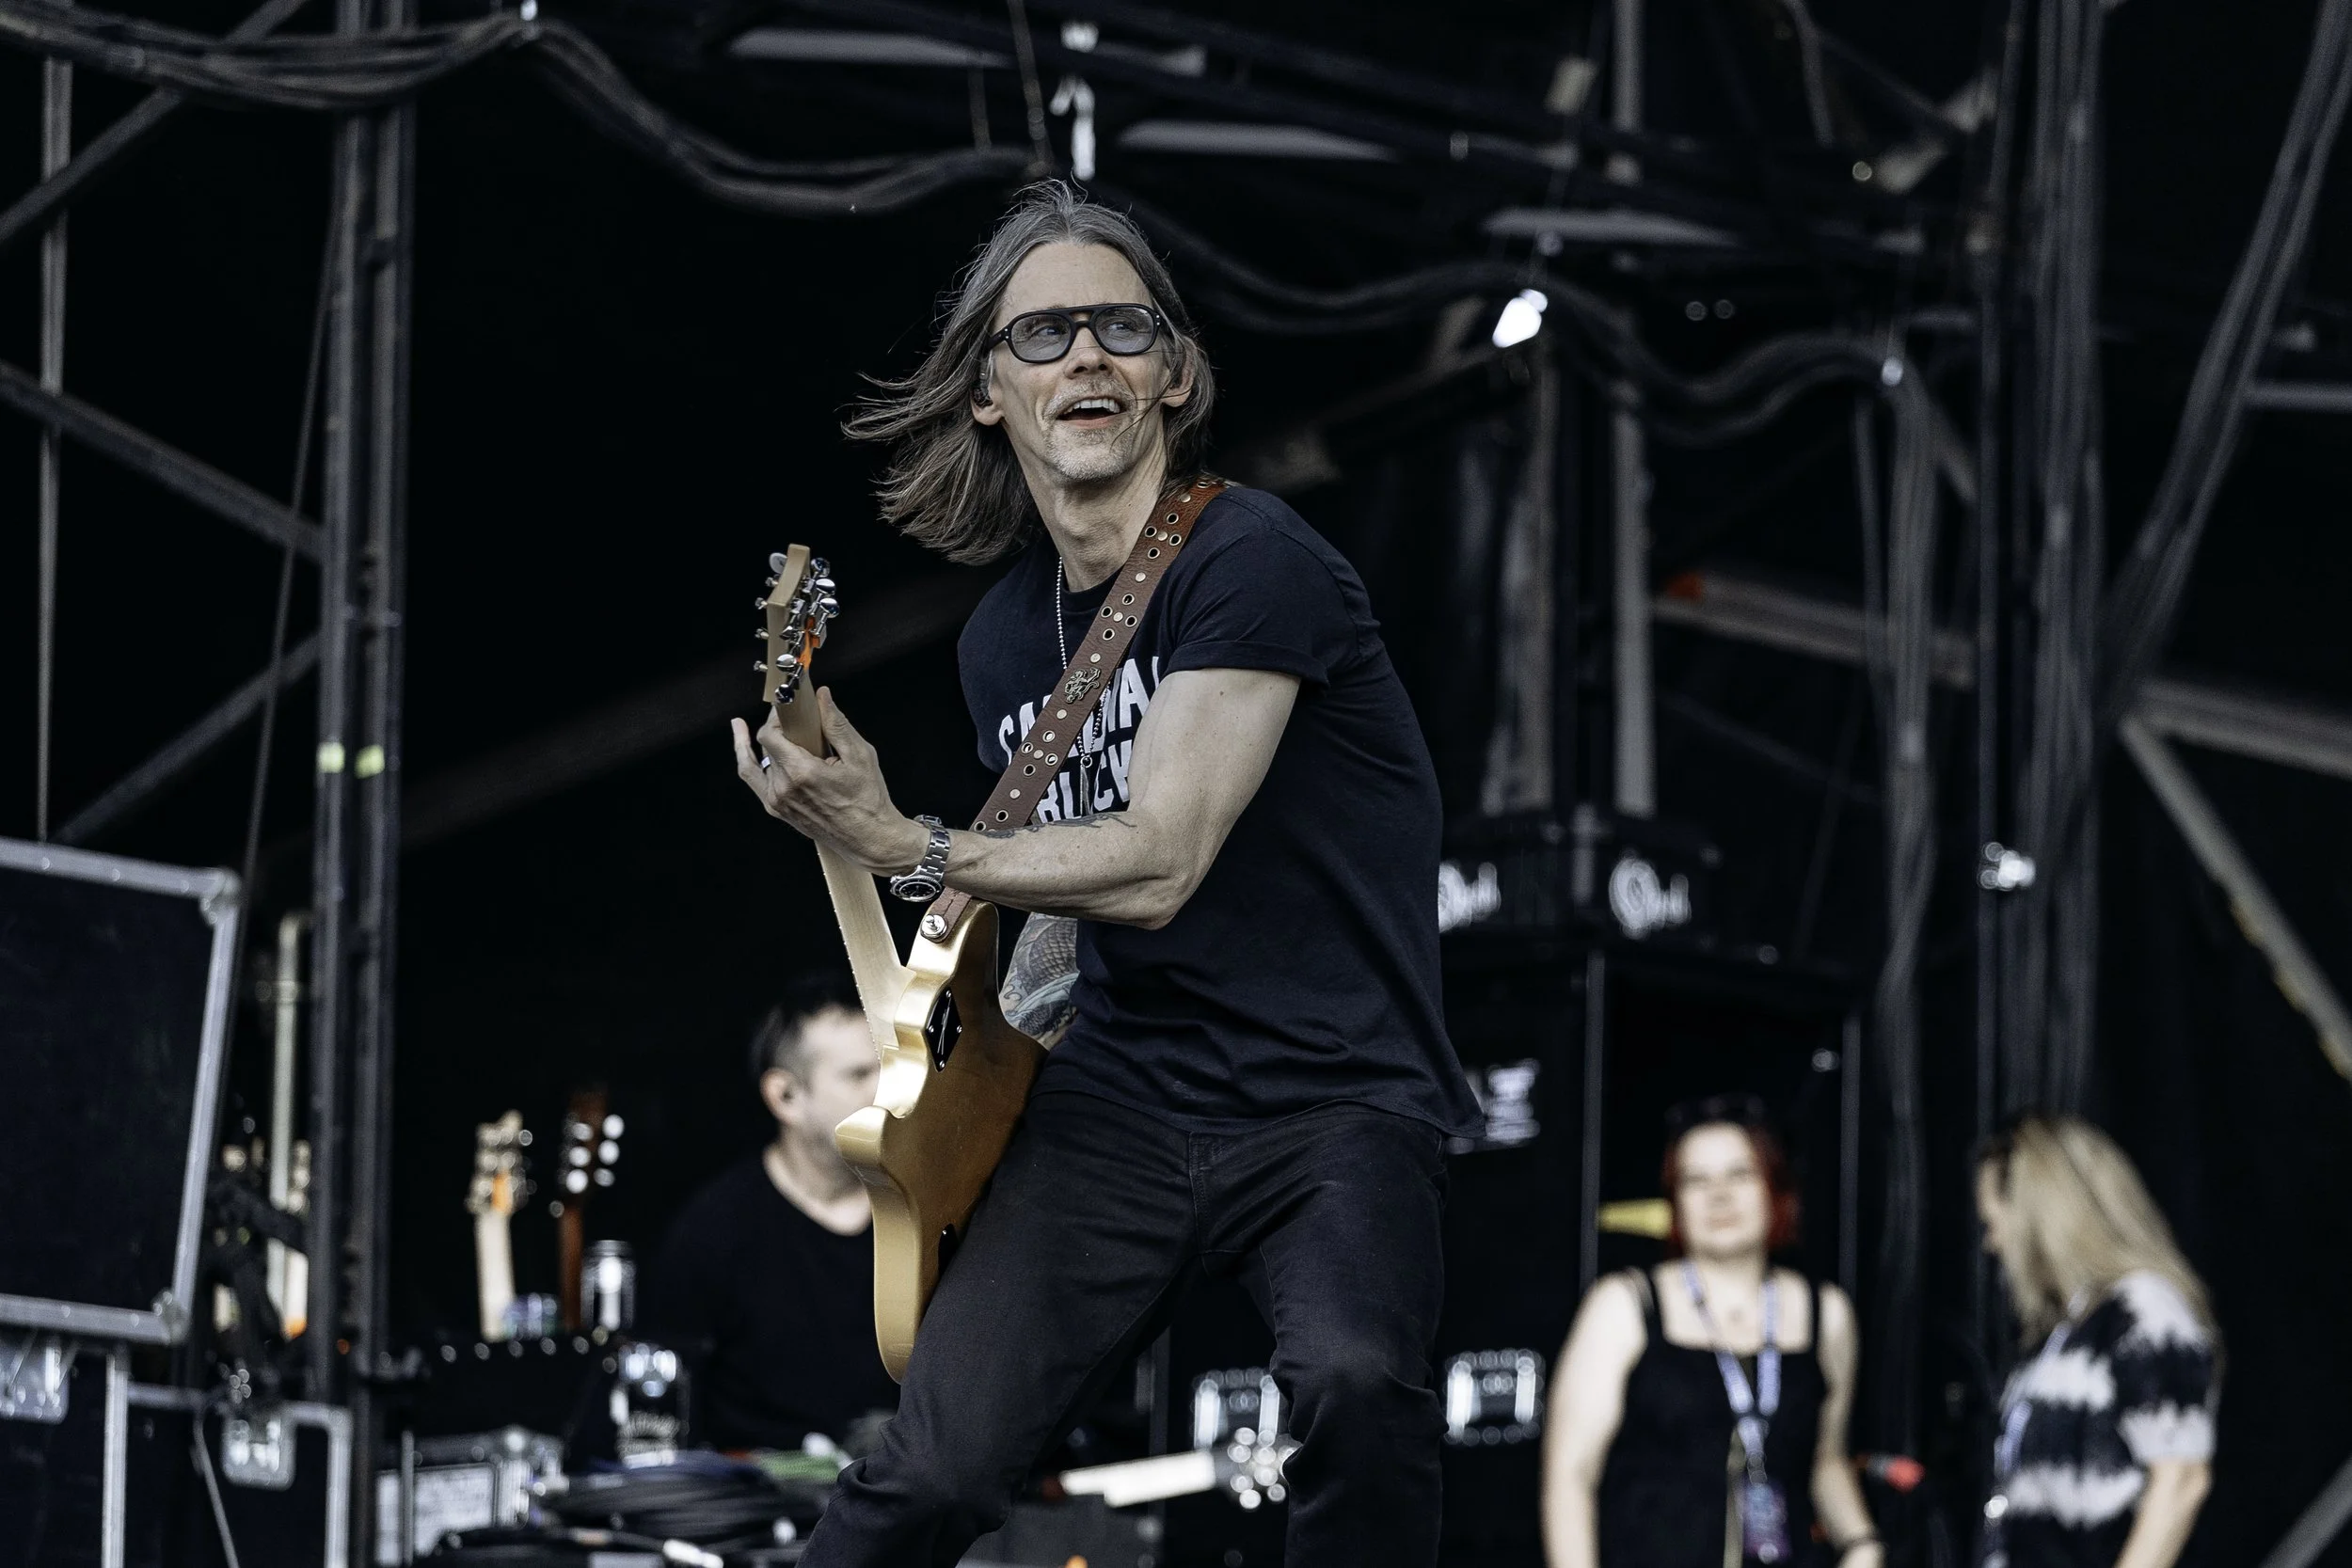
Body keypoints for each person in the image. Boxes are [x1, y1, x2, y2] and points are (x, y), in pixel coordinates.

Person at [729, 181, 1479, 1567]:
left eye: (1123, 326)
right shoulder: (1003, 642)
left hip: (1334, 1093)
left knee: (1355, 1384)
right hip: (1125, 1096)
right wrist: (950, 1034)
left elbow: (1157, 860)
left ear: (1175, 374)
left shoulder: (1252, 559)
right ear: (985, 396)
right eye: (1043, 335)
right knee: (929, 1465)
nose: (1087, 354)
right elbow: (1056, 931)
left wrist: (910, 841)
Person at [1542, 1095, 1882, 1568]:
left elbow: (1826, 1459)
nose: (1719, 1196)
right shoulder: (1624, 1305)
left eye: (1739, 1175)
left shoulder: (1827, 1313)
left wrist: (1863, 1545)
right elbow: (1570, 1475)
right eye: (1696, 1180)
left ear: (1774, 1188)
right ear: (1676, 1201)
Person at [641, 974, 898, 1452]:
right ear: (785, 1097)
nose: (890, 1089)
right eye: (860, 1074)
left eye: (891, 1066)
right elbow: (662, 1425)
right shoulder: (712, 1233)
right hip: (773, 1510)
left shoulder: (934, 1210)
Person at [1975, 1115, 2217, 1568]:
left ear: (2038, 1213)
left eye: (1993, 1223)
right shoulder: (2062, 1331)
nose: (1992, 1243)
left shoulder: (2142, 1309)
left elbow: (2182, 1479)